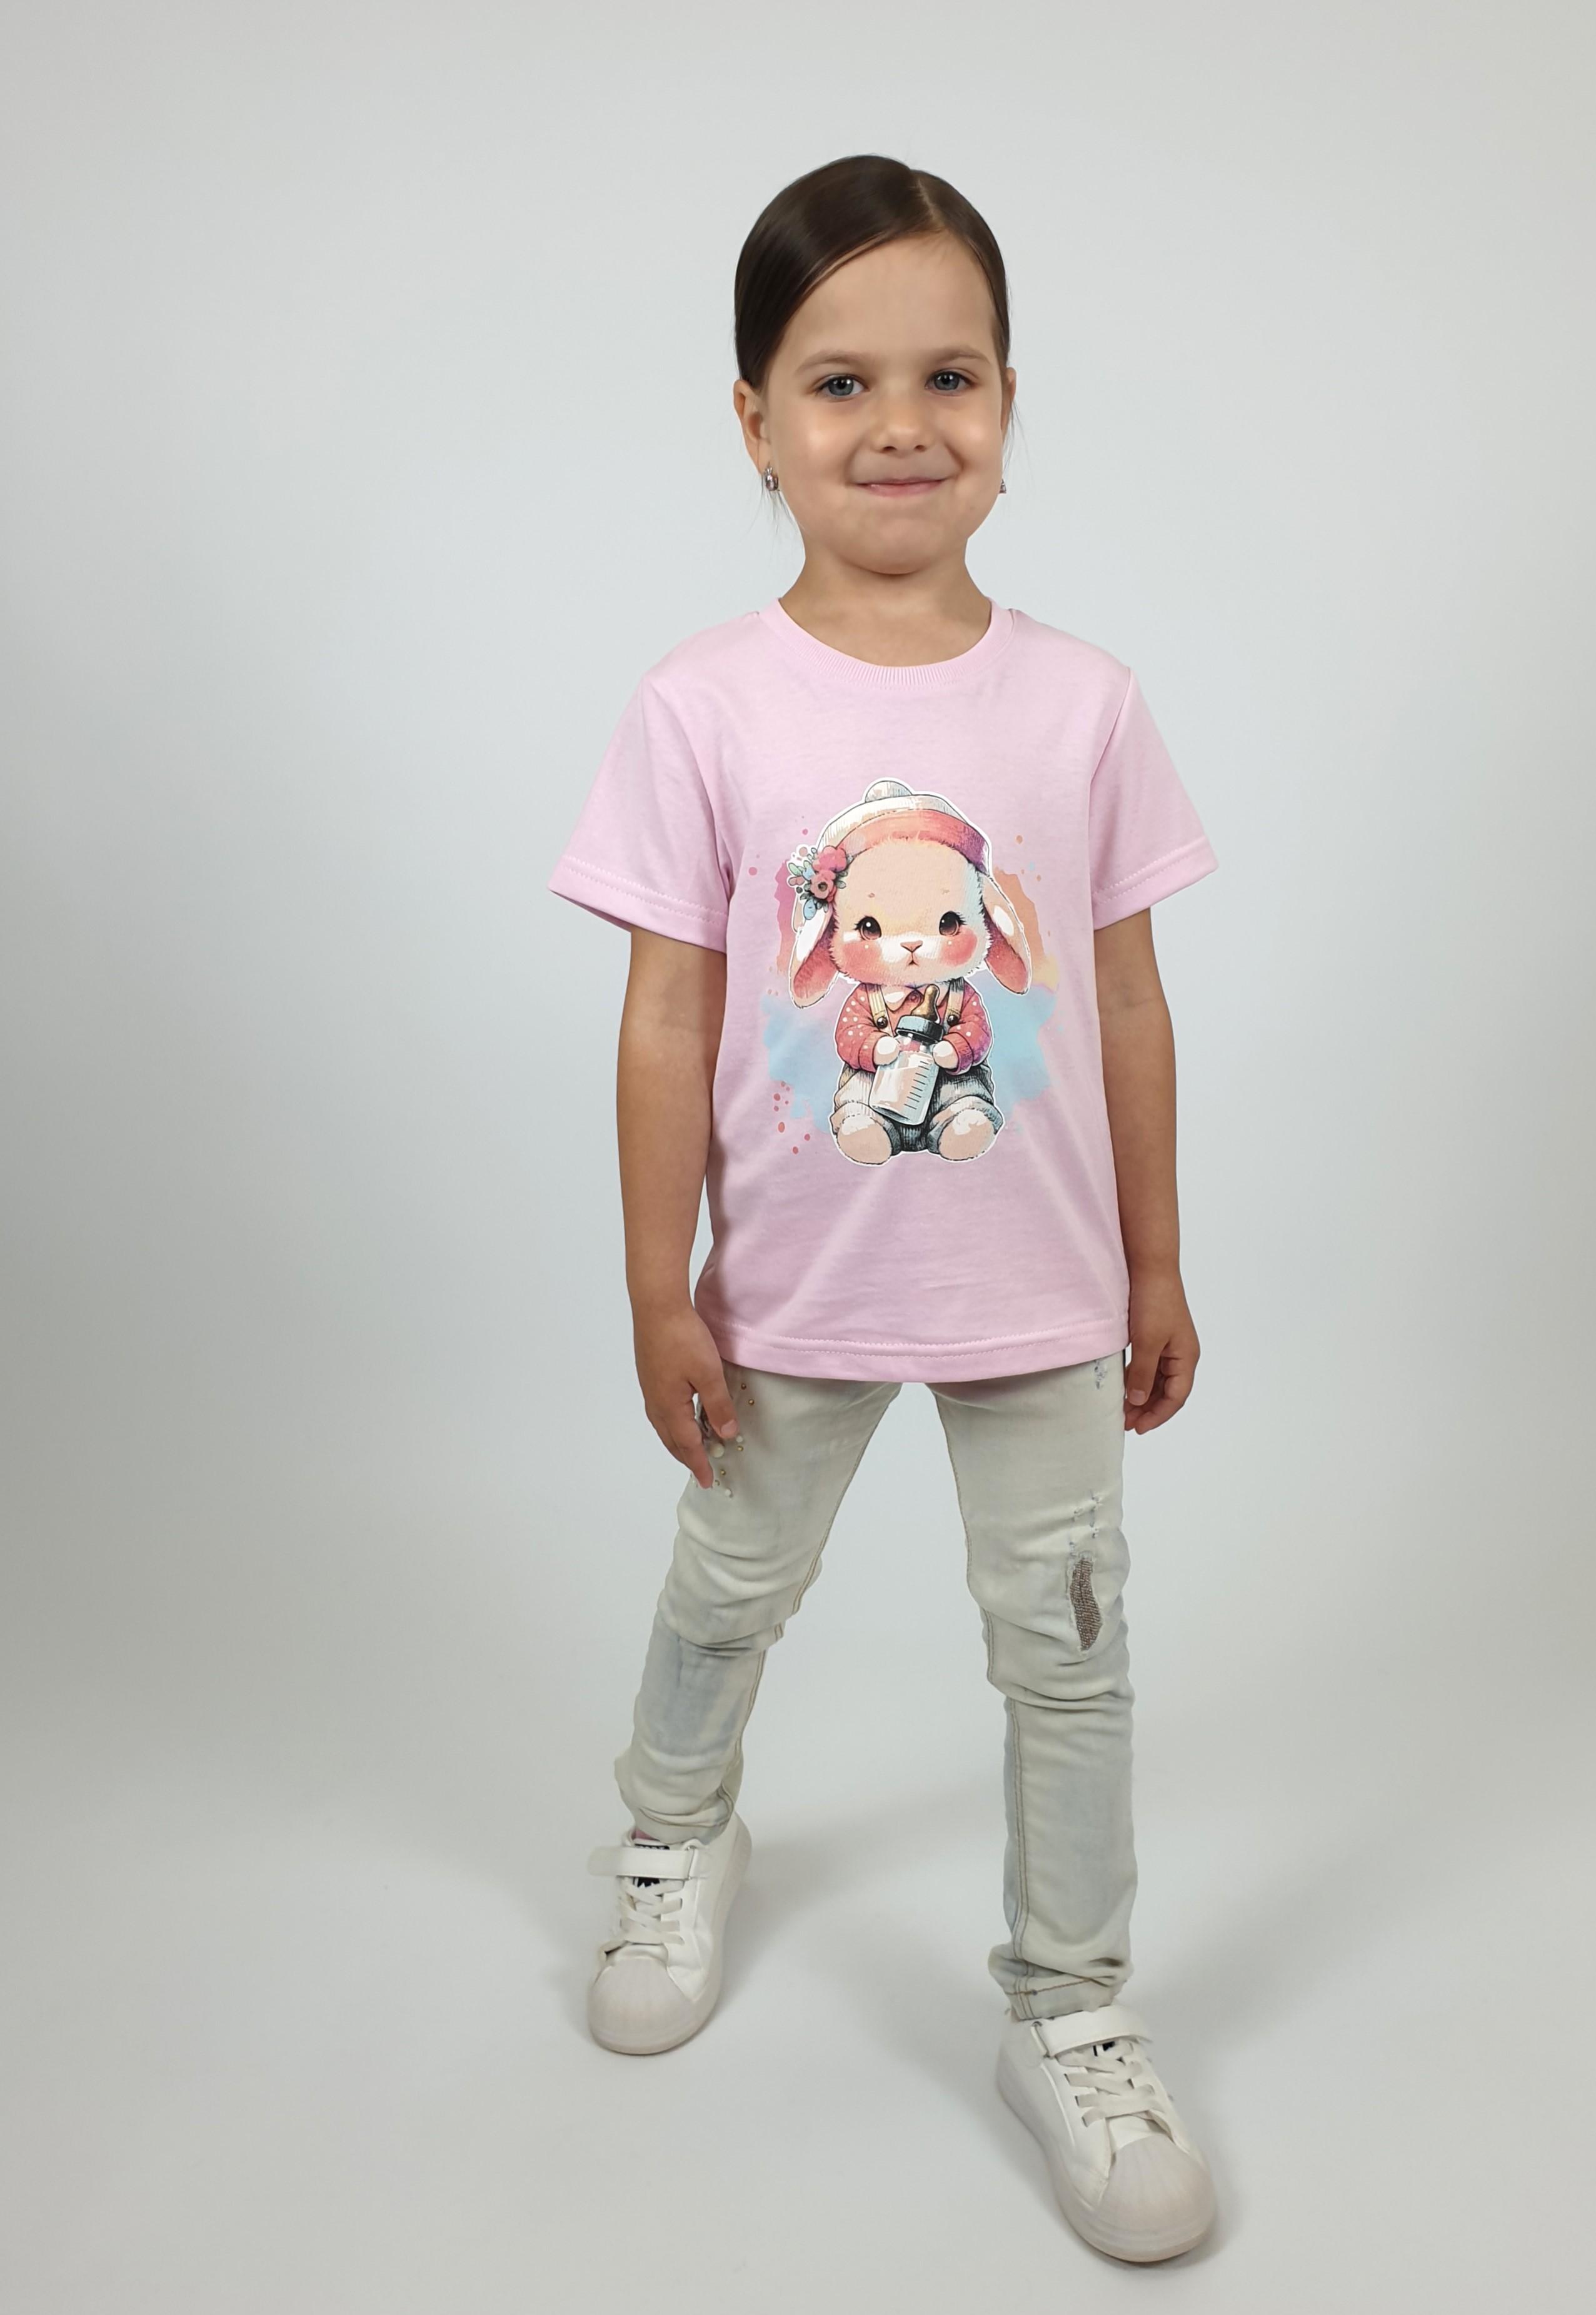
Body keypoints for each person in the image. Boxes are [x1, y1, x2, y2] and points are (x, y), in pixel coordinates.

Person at [548, 153, 1222, 2265]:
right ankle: (673, 1838)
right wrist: (658, 1286)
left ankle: (1072, 2004)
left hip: (1042, 1295)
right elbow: (669, 1018)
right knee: (729, 1587)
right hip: (791, 1290)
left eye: (952, 376)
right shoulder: (704, 704)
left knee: (1069, 1651)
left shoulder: (1083, 702)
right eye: (841, 382)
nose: (902, 423)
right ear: (756, 420)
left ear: (1011, 406)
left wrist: (1155, 1258)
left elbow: (1125, 998)